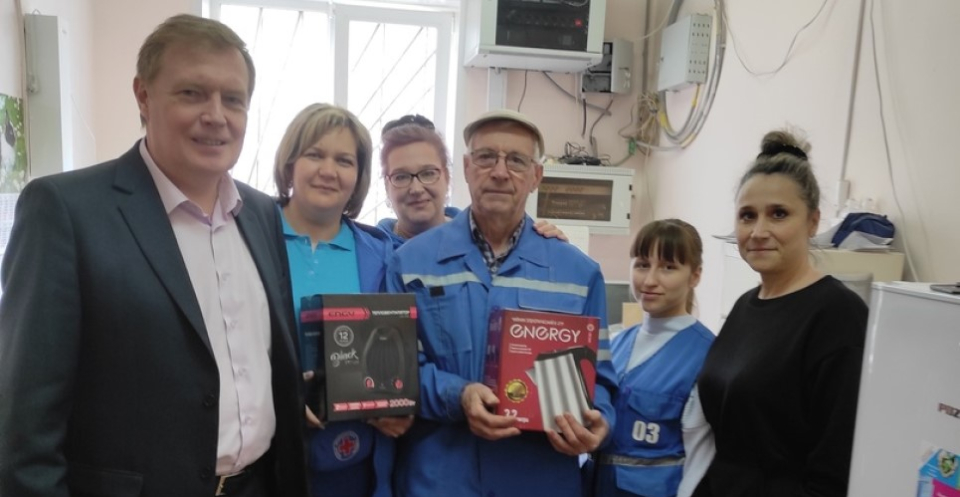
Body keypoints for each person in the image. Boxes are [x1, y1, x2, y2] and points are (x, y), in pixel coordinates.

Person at [0, 14, 307, 497]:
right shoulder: (66, 211)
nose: (216, 115)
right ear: (143, 96)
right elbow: (25, 422)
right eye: (192, 93)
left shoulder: (262, 214)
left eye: (233, 99)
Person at [385, 109, 618, 497]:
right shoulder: (410, 264)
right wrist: (459, 396)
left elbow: (601, 381)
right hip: (440, 482)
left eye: (516, 160)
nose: (499, 172)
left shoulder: (578, 274)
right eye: (486, 157)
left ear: (536, 176)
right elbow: (398, 371)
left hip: (540, 481)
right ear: (466, 168)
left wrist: (600, 422)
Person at [692, 131, 868, 496]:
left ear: (813, 221)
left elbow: (834, 472)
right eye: (747, 216)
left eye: (779, 214)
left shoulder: (838, 316)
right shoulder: (745, 305)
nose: (759, 231)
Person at [273, 103, 409, 497]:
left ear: (359, 176)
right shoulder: (248, 236)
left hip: (355, 466)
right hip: (268, 462)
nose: (328, 170)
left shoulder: (382, 255)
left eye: (344, 160)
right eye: (315, 154)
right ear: (290, 163)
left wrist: (398, 406)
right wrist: (281, 396)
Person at [595, 219, 715, 497]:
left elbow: (701, 460)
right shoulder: (615, 343)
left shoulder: (708, 355)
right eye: (642, 264)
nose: (649, 280)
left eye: (668, 267)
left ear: (695, 276)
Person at [377, 114, 566, 247]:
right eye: (401, 177)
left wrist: (545, 244)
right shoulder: (371, 253)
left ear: (447, 176)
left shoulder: (485, 243)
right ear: (386, 185)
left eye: (428, 173)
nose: (416, 188)